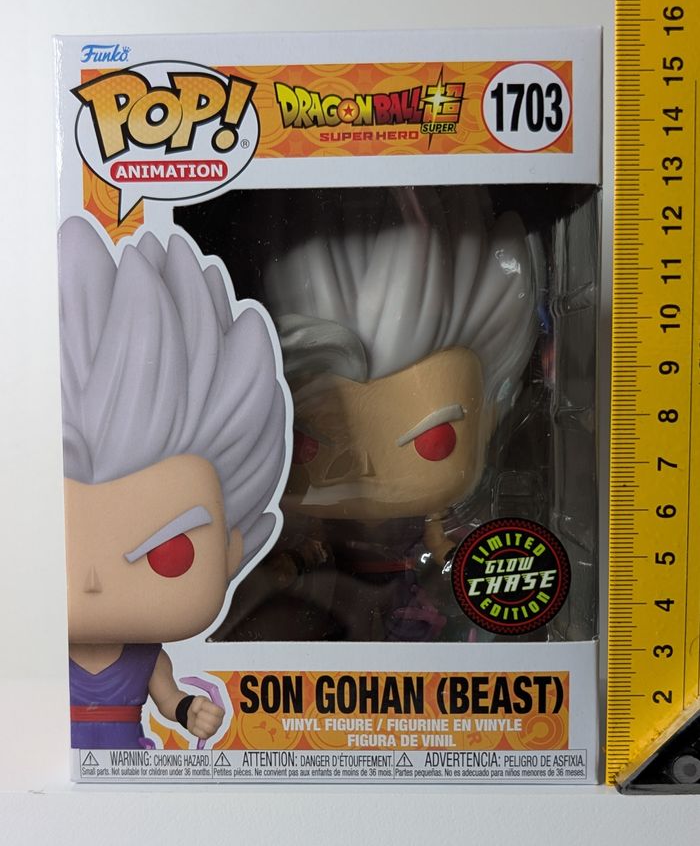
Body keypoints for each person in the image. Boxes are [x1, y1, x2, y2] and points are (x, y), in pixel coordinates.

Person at [220, 186, 538, 642]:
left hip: (418, 615)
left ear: (490, 415)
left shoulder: (432, 520)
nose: (365, 468)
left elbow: (446, 552)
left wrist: (458, 562)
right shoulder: (310, 528)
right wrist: (287, 563)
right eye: (305, 442)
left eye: (432, 440)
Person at [60, 217, 289, 748]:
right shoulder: (33, 653)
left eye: (170, 554)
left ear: (232, 551)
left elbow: (172, 702)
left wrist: (191, 711)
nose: (90, 582)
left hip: (130, 766)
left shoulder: (146, 656)